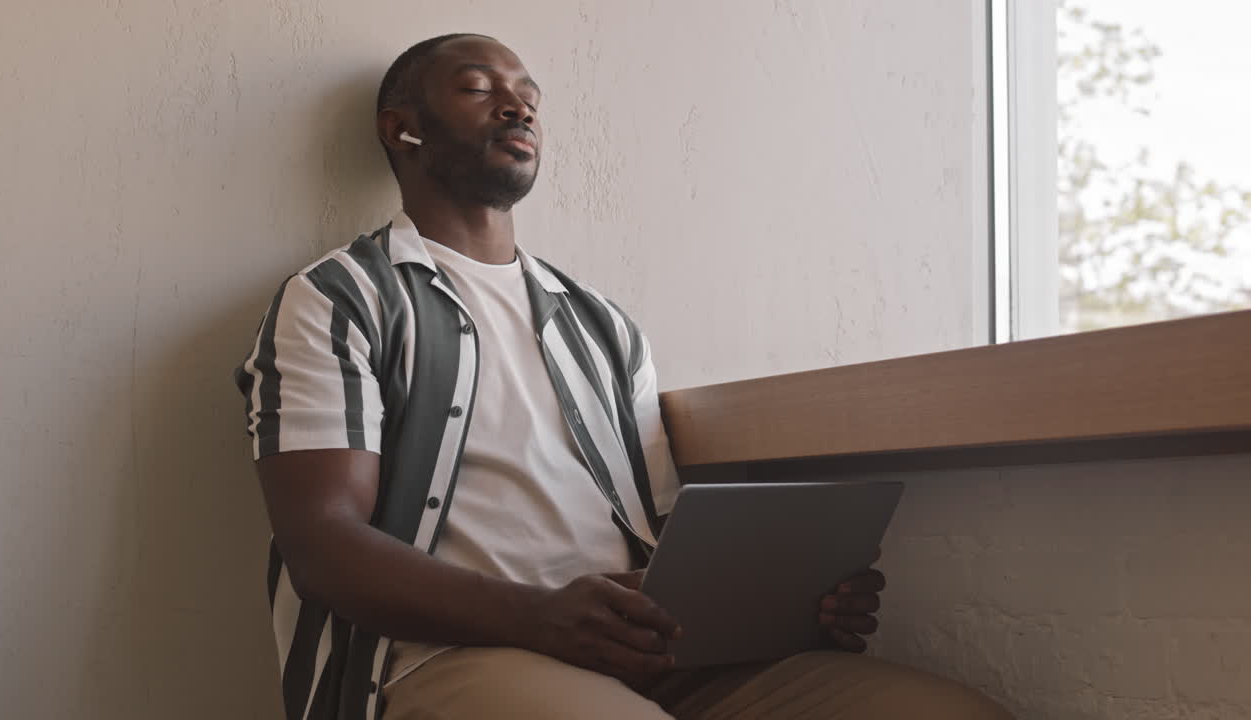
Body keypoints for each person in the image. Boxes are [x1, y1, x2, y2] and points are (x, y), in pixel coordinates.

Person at [235, 33, 1012, 720]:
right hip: (441, 657)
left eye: (529, 99)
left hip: (652, 655)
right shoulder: (339, 298)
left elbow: (665, 534)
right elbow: (324, 547)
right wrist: (541, 617)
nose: (517, 108)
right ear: (401, 127)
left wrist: (789, 604)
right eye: (479, 90)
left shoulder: (602, 325)